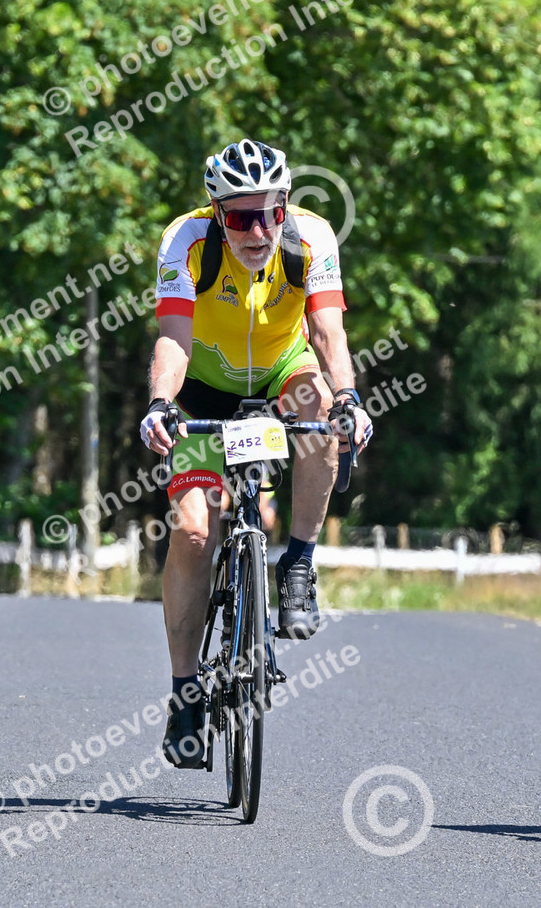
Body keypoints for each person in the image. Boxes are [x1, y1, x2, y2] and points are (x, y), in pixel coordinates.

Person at [140, 138, 373, 767]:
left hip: (280, 373)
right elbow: (174, 336)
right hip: (201, 388)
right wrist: (160, 403)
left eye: (270, 213)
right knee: (193, 532)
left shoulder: (312, 237)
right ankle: (185, 693)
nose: (258, 230)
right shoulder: (186, 240)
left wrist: (349, 398)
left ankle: (298, 562)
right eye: (242, 217)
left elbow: (327, 331)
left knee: (320, 408)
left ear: (286, 206)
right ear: (218, 213)